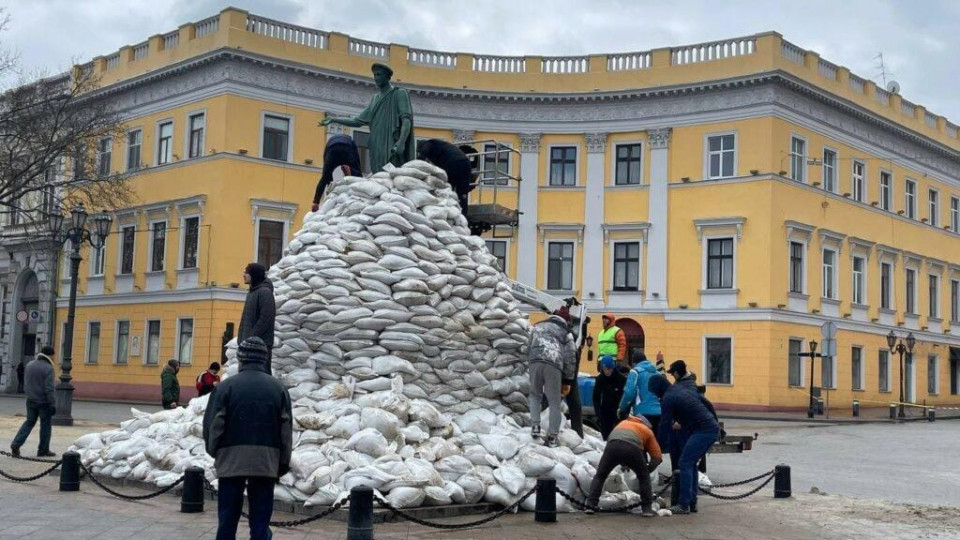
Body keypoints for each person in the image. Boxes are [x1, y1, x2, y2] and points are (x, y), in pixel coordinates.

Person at [203, 337, 293, 540]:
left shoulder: (225, 387)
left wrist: (215, 451)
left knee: (227, 520)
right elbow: (285, 431)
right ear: (264, 359)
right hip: (265, 461)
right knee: (260, 523)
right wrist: (282, 463)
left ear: (241, 359)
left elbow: (213, 426)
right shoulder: (278, 389)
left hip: (230, 459)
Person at [320, 63, 415, 172]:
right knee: (378, 175)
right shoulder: (375, 99)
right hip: (376, 144)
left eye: (379, 75)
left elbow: (406, 120)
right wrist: (333, 119)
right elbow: (357, 121)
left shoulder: (399, 93)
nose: (376, 78)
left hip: (391, 143)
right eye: (374, 75)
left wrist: (401, 142)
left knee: (393, 174)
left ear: (388, 77)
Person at [649, 374, 720, 515]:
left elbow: (664, 424)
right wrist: (717, 423)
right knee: (690, 462)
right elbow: (706, 403)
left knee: (685, 462)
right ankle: (691, 502)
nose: (654, 394)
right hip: (707, 427)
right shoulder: (680, 389)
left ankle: (683, 505)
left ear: (658, 389)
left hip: (703, 429)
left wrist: (657, 446)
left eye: (653, 391)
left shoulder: (668, 398)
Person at [584, 414, 663, 517]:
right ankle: (647, 509)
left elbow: (616, 441)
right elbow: (657, 458)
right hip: (632, 448)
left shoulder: (622, 424)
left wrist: (623, 462)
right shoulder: (647, 430)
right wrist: (647, 470)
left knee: (600, 476)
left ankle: (590, 506)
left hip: (611, 447)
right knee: (644, 477)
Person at [527, 306, 576, 447]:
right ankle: (553, 435)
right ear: (566, 320)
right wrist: (568, 379)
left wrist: (531, 361)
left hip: (535, 360)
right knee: (554, 401)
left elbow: (529, 346)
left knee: (535, 394)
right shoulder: (567, 333)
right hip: (554, 364)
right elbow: (570, 356)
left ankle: (535, 426)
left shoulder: (538, 326)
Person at [9, 346, 57, 457]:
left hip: (30, 400)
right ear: (50, 355)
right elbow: (49, 388)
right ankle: (43, 449)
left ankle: (16, 443)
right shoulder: (48, 368)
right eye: (53, 356)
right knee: (45, 425)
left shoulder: (30, 365)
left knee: (29, 422)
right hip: (44, 402)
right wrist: (53, 403)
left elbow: (26, 382)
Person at [417, 138, 476, 213]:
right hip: (465, 163)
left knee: (447, 189)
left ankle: (451, 212)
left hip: (453, 164)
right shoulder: (440, 146)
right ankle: (463, 216)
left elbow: (424, 154)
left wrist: (419, 161)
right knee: (462, 193)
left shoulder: (430, 144)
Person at [239, 262, 276, 375]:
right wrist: (240, 338)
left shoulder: (264, 292)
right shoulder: (252, 292)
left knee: (261, 375)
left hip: (260, 346)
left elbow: (266, 318)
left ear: (254, 275)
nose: (243, 275)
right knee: (246, 375)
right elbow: (245, 319)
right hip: (247, 345)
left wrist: (252, 337)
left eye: (246, 272)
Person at [312, 134, 363, 211]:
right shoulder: (351, 140)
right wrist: (357, 172)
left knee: (325, 178)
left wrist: (327, 176)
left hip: (331, 149)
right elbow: (356, 158)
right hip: (347, 147)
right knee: (355, 172)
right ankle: (360, 194)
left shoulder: (329, 142)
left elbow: (325, 157)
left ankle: (315, 203)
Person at [618, 350, 662, 435]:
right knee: (654, 444)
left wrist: (621, 408)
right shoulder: (657, 373)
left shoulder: (635, 372)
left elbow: (629, 393)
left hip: (642, 414)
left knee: (643, 443)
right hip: (658, 413)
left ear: (634, 362)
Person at [592, 355, 626, 439]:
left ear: (613, 368)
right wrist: (598, 413)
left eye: (609, 369)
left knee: (618, 436)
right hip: (605, 412)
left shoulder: (621, 378)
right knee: (605, 436)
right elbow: (596, 397)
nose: (607, 372)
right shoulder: (600, 379)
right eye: (605, 369)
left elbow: (625, 396)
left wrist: (623, 411)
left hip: (618, 412)